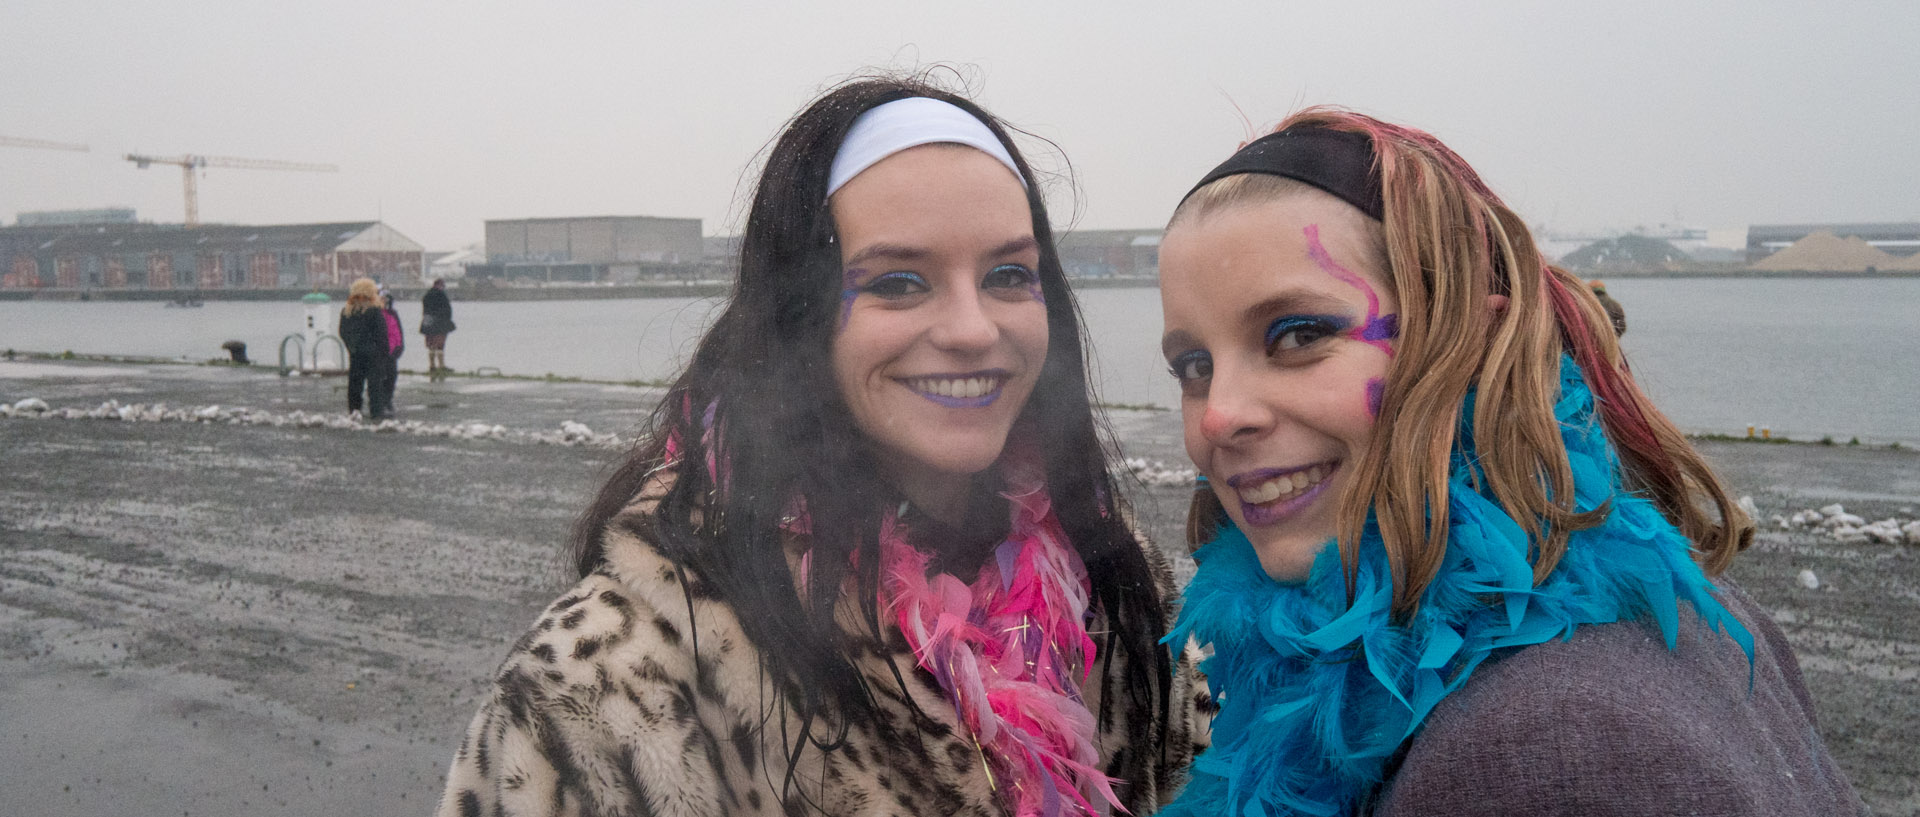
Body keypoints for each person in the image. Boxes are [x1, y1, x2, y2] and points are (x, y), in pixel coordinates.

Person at [436, 76, 1198, 817]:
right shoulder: (602, 693)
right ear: (800, 318)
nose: (973, 328)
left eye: (1007, 274)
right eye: (899, 282)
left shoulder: (1118, 592)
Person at [1153, 109, 1862, 816]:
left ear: (1473, 343)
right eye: (1193, 364)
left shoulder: (1553, 754)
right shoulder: (1701, 615)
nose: (1218, 414)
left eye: (1299, 333)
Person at [337, 277, 390, 419]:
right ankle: (376, 413)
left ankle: (354, 411)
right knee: (375, 386)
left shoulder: (347, 312)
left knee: (354, 385)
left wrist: (351, 346)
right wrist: (384, 353)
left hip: (356, 353)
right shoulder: (374, 311)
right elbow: (382, 334)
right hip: (374, 354)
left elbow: (343, 332)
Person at [374, 288, 405, 419]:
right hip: (379, 353)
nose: (385, 301)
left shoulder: (393, 314)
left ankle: (388, 400)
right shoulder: (375, 314)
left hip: (392, 352)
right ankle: (380, 403)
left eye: (387, 298)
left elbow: (398, 333)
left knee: (392, 377)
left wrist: (399, 348)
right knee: (379, 378)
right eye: (382, 298)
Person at [420, 277, 456, 376]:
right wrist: (447, 321)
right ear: (440, 285)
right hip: (440, 322)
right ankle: (441, 365)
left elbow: (424, 309)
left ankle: (432, 366)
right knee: (440, 344)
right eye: (443, 286)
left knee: (431, 344)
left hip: (428, 321)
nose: (443, 288)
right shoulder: (441, 295)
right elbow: (447, 309)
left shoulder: (426, 295)